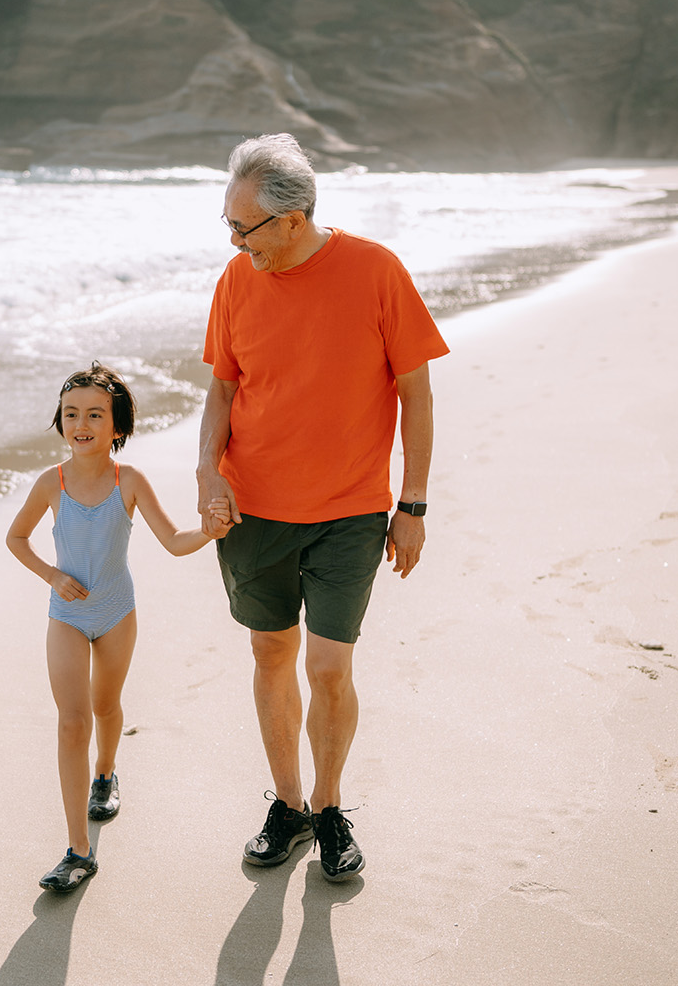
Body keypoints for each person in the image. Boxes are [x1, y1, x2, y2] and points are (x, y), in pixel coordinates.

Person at [197, 133, 448, 882]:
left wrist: (415, 504)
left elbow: (416, 394)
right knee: (270, 655)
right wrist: (208, 471)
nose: (236, 242)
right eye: (228, 226)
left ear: (294, 219)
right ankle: (290, 806)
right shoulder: (237, 280)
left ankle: (331, 808)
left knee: (330, 667)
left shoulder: (376, 271)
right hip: (252, 513)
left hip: (350, 513)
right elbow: (222, 389)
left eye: (245, 228)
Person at [6, 363, 230, 892]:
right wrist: (52, 575)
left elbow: (174, 541)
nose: (81, 422)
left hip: (115, 615)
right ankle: (77, 850)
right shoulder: (50, 483)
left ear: (117, 427)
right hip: (66, 616)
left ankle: (105, 772)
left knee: (106, 707)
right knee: (71, 722)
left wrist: (210, 530)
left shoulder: (128, 481)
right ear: (60, 423)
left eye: (94, 414)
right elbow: (17, 539)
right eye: (70, 414)